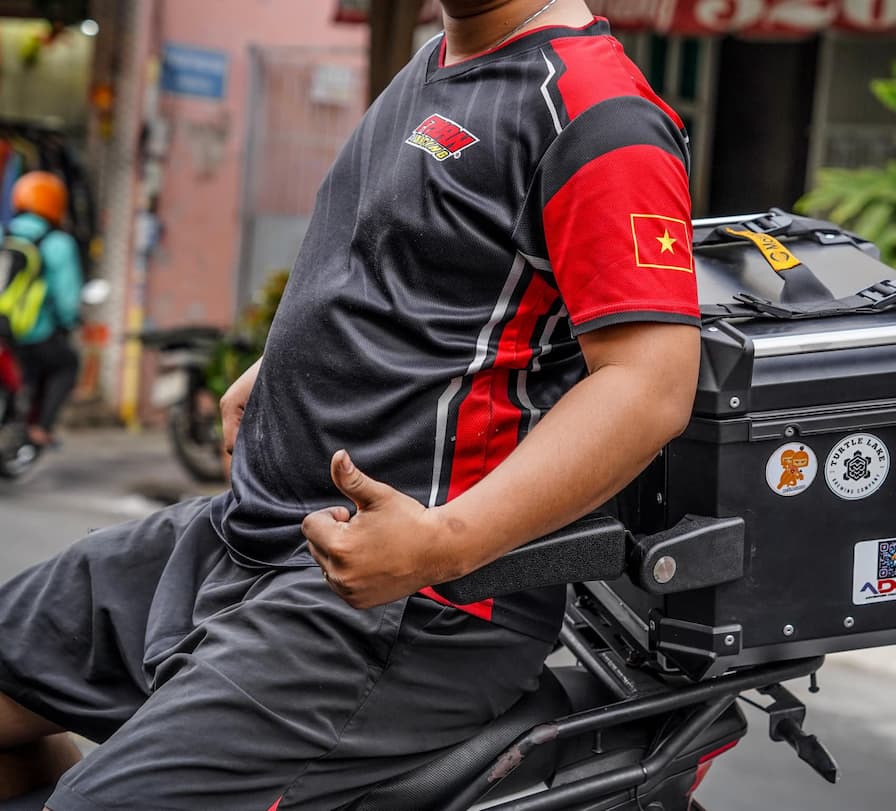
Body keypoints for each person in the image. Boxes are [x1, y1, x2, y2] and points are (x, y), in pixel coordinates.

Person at [0, 1, 701, 808]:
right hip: (252, 533)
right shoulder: (440, 60)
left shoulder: (597, 114)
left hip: (404, 607)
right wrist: (282, 364)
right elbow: (410, 272)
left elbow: (649, 386)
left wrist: (441, 544)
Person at [1, 171, 82, 448]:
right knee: (66, 364)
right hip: (32, 331)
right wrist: (69, 321)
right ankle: (41, 428)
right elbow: (67, 298)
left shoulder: (4, 233)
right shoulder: (58, 243)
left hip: (3, 328)